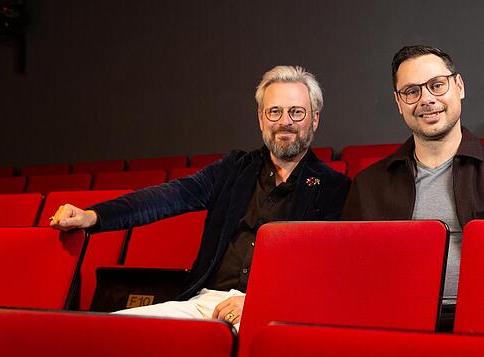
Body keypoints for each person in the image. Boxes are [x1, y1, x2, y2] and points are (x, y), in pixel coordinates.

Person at [51, 65, 350, 328]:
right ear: (261, 119)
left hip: (276, 310)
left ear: (314, 120)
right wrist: (94, 216)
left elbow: (326, 274)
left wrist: (262, 301)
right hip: (204, 304)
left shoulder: (335, 189)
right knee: (109, 330)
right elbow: (169, 196)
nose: (285, 121)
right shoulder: (233, 170)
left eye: (296, 112)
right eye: (275, 111)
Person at [342, 45, 484, 314]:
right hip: (399, 325)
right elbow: (349, 273)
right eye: (412, 92)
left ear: (459, 86)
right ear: (398, 103)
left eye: (437, 85)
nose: (426, 99)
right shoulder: (368, 185)